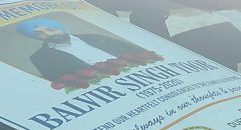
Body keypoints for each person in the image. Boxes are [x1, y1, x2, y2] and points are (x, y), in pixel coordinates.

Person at [16, 18, 146, 82]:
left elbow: (139, 53)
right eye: (40, 34)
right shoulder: (40, 58)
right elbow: (66, 83)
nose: (49, 34)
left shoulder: (95, 37)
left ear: (60, 27)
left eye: (50, 29)